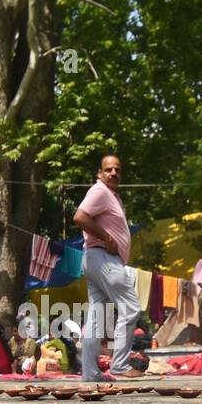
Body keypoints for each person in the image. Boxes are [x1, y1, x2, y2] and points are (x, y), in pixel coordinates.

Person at [74, 154, 145, 380]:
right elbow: (80, 216)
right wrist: (106, 237)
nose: (113, 173)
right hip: (104, 257)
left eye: (117, 170)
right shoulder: (100, 191)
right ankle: (120, 365)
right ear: (99, 173)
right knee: (131, 308)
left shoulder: (111, 195)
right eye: (108, 170)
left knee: (96, 316)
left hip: (95, 258)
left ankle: (90, 374)